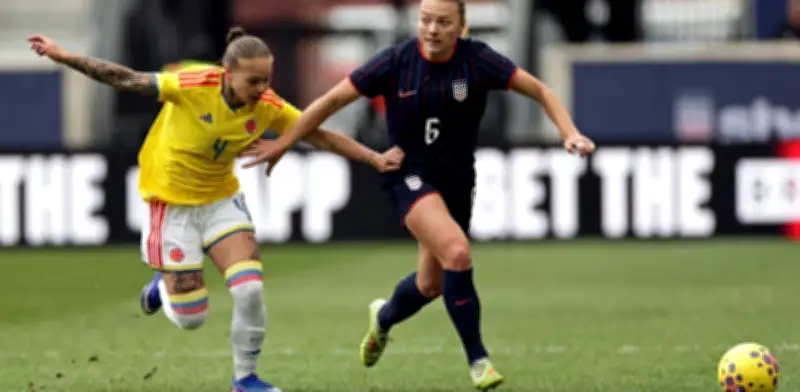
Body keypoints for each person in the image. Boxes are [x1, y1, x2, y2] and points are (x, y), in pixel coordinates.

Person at [241, 0, 596, 390]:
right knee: (458, 253)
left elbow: (540, 90)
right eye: (426, 20)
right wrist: (284, 143)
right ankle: (479, 360)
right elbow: (330, 102)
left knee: (432, 284)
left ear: (462, 25)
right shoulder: (395, 61)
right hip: (407, 175)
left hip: (458, 182)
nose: (431, 29)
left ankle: (383, 319)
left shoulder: (478, 60)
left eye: (443, 22)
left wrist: (570, 132)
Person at [28, 27, 403, 392]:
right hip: (172, 207)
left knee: (250, 290)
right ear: (228, 75)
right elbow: (124, 78)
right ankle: (163, 288)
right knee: (193, 318)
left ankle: (245, 380)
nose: (263, 89)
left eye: (266, 80)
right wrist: (64, 56)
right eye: (253, 81)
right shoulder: (192, 86)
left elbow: (317, 133)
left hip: (220, 202)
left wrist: (373, 158)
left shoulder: (267, 106)